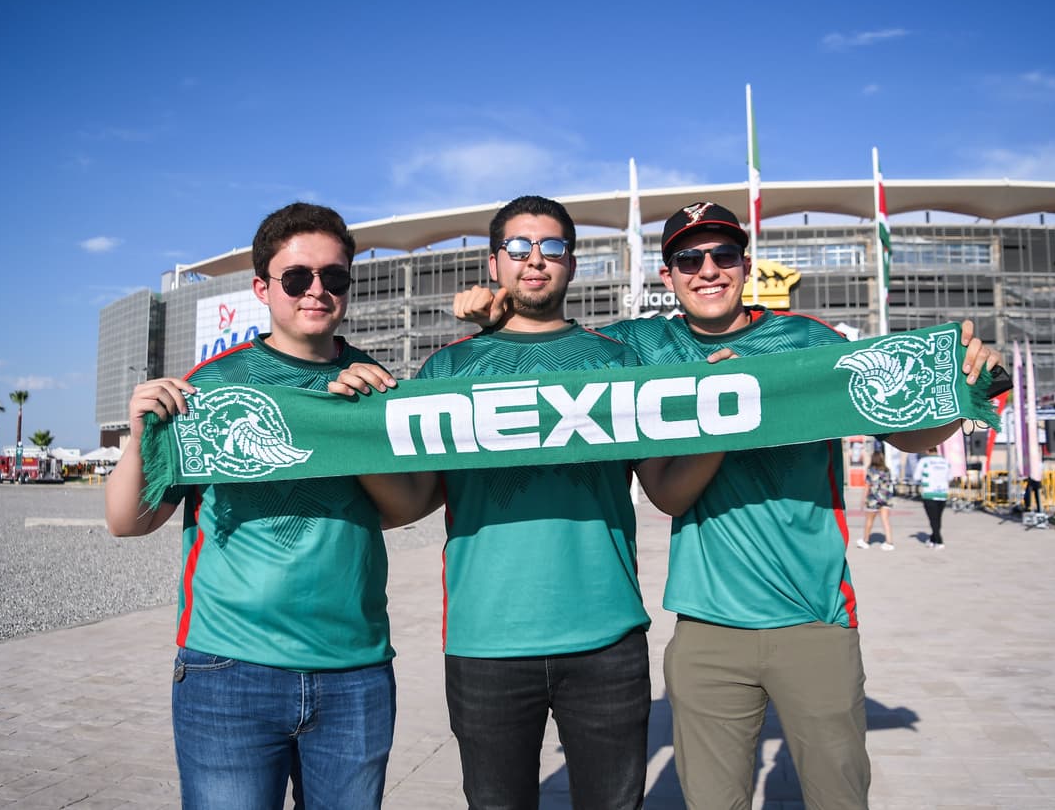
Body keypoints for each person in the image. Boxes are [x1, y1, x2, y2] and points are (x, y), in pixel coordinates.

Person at [454, 200, 1003, 810]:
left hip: (813, 618)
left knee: (839, 798)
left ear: (745, 266)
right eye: (689, 257)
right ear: (667, 275)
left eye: (723, 255)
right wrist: (495, 315)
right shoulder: (642, 347)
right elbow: (557, 346)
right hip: (706, 626)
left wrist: (960, 390)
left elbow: (903, 430)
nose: (707, 269)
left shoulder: (805, 341)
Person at [331, 195, 721, 810]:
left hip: (607, 640)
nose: (534, 260)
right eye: (518, 247)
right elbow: (410, 504)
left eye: (552, 247)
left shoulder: (617, 363)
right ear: (494, 262)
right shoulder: (449, 369)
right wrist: (353, 431)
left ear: (573, 262)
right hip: (486, 642)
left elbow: (667, 494)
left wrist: (720, 426)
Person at [105, 202, 402, 809]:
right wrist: (139, 434)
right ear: (262, 288)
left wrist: (356, 429)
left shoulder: (373, 381)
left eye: (334, 277)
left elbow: (405, 508)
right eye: (297, 278)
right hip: (228, 669)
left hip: (354, 671)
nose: (317, 290)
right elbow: (129, 521)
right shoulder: (211, 385)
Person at [913, 446, 952, 549]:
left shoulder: (924, 461)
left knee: (933, 520)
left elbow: (916, 477)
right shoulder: (945, 461)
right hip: (943, 493)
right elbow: (950, 477)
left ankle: (939, 541)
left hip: (929, 493)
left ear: (927, 450)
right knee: (938, 519)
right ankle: (932, 539)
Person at [858, 449, 895, 550]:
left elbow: (867, 486)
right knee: (886, 521)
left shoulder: (871, 470)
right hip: (886, 498)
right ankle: (889, 542)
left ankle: (865, 541)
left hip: (873, 499)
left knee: (869, 521)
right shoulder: (887, 470)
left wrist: (863, 500)